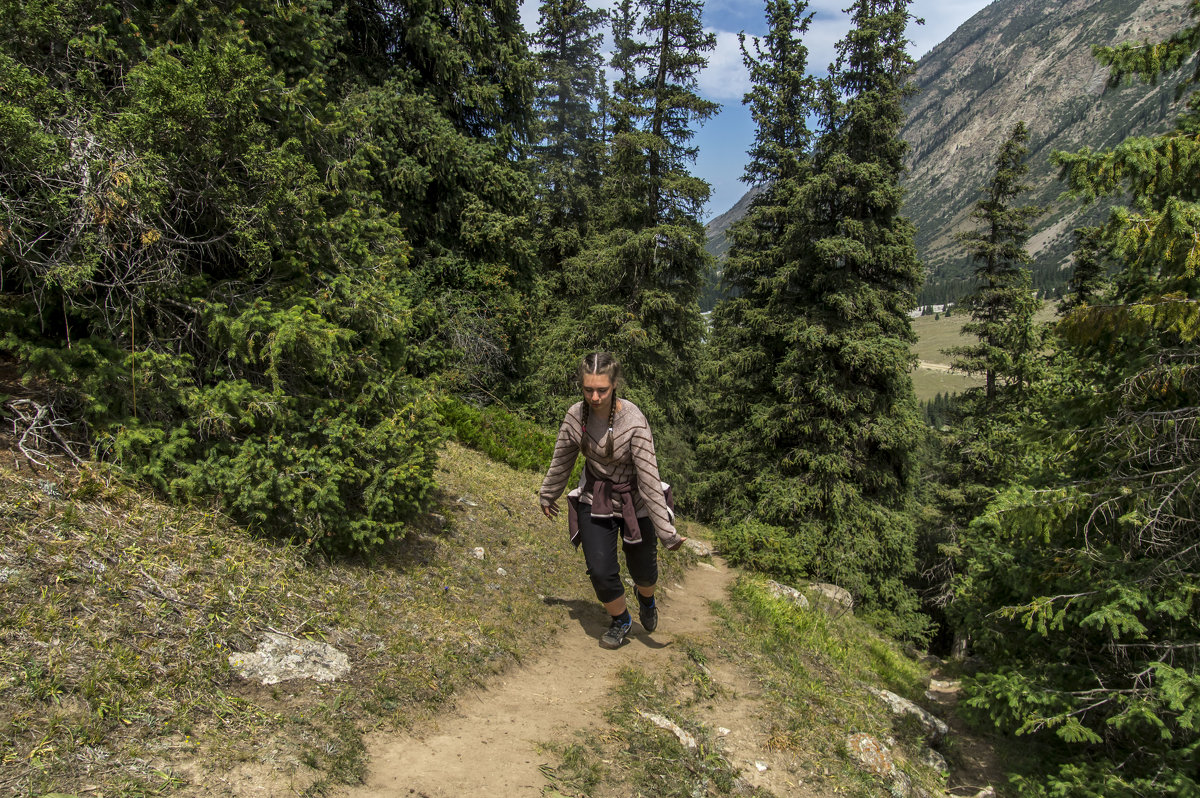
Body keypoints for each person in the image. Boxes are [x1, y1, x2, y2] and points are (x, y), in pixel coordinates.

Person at [540, 352, 686, 649]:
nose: (594, 397)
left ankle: (646, 598)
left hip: (637, 501)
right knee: (601, 569)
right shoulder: (575, 416)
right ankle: (621, 620)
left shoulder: (634, 421)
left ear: (615, 384)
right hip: (596, 496)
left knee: (643, 572)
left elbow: (648, 477)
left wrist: (666, 531)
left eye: (602, 390)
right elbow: (562, 457)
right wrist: (548, 492)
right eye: (588, 389)